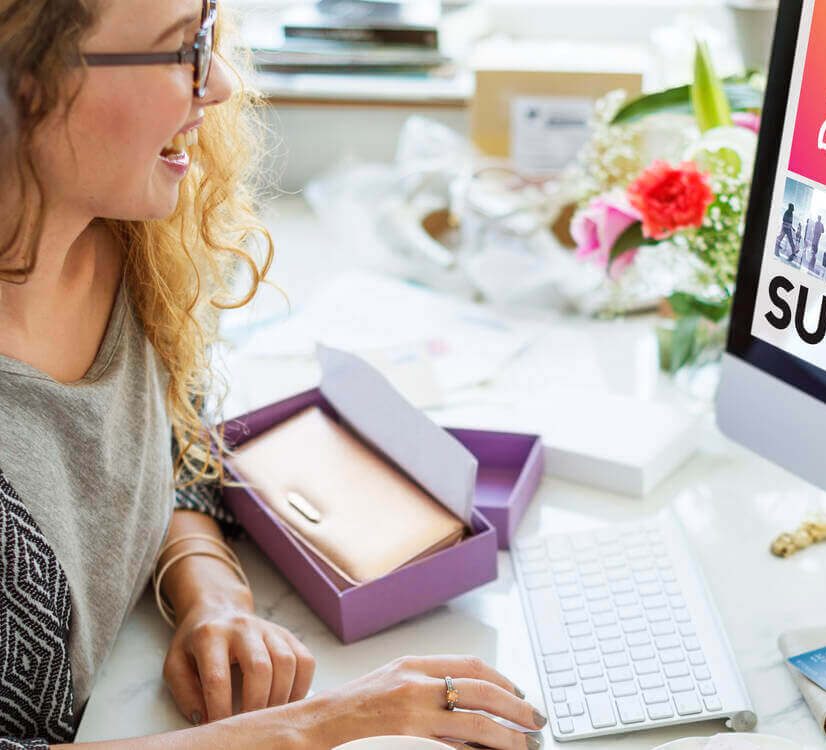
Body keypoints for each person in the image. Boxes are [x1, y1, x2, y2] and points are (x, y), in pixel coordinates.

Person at [0, 1, 545, 748]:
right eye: (178, 52)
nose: (219, 81)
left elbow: (168, 440)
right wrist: (326, 722)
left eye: (207, 33)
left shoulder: (129, 235)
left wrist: (210, 589)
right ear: (21, 86)